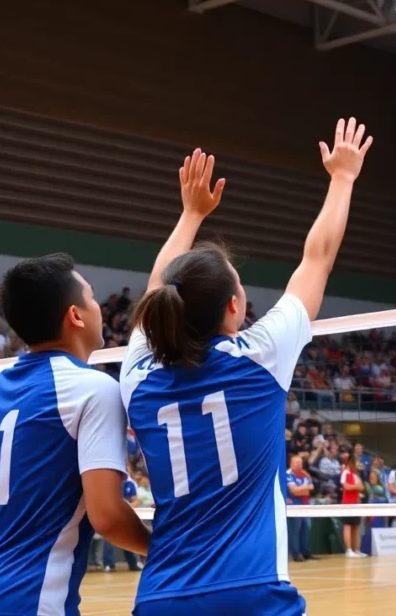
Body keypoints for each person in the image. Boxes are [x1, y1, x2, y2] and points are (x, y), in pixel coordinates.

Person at [120, 119, 373, 616]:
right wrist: (342, 178)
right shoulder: (260, 359)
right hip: (254, 594)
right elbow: (316, 259)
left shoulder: (138, 377)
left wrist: (190, 215)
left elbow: (155, 289)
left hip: (161, 597)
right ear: (234, 308)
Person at [0, 254, 149, 615]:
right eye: (92, 297)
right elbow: (108, 516)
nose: (99, 307)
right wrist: (168, 551)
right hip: (28, 598)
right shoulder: (93, 388)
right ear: (75, 315)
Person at [286, 454, 315, 563]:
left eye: (301, 462)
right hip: (293, 506)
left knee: (305, 528)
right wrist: (303, 489)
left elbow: (311, 488)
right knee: (294, 530)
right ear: (291, 464)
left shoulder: (305, 474)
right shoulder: (287, 474)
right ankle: (295, 553)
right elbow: (294, 491)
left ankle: (306, 552)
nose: (299, 465)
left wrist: (301, 490)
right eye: (297, 463)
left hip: (305, 505)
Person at [340, 453, 366, 558]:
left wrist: (356, 487)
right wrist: (356, 486)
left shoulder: (356, 475)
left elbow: (362, 488)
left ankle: (357, 549)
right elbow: (346, 487)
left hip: (356, 503)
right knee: (348, 526)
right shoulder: (345, 473)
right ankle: (349, 550)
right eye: (356, 463)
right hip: (347, 503)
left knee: (356, 527)